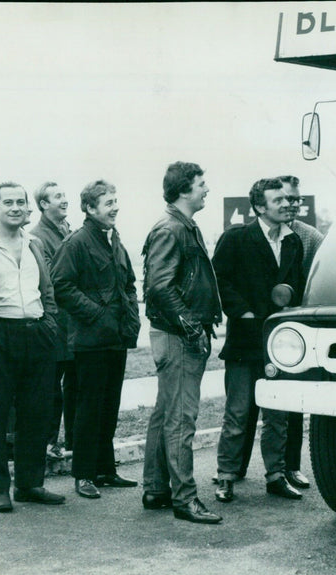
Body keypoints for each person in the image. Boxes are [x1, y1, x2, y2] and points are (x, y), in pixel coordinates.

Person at [211, 178, 306, 504]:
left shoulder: (293, 242)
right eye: (277, 200)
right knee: (237, 414)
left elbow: (296, 285)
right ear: (260, 207)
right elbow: (218, 280)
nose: (286, 204)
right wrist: (244, 313)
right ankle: (225, 478)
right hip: (244, 342)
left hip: (279, 345)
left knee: (277, 415)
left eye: (286, 199)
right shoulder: (237, 238)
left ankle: (276, 476)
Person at [0, 181, 66, 513]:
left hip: (37, 333)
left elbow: (48, 287)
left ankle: (29, 483)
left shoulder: (34, 244)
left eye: (20, 202)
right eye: (8, 202)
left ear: (28, 207)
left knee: (36, 411)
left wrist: (49, 322)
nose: (15, 207)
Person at [141, 161, 223, 524]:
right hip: (177, 336)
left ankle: (157, 487)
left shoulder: (181, 225)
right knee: (180, 418)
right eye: (202, 184)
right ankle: (185, 499)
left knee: (165, 413)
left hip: (178, 332)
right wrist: (191, 326)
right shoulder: (172, 228)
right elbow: (159, 286)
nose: (207, 189)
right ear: (184, 189)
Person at [51, 180, 140, 499]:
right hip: (90, 340)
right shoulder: (76, 242)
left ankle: (105, 470)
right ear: (89, 209)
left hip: (115, 338)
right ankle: (84, 475)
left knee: (109, 405)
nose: (115, 207)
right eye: (108, 203)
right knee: (88, 408)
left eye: (116, 200)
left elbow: (128, 281)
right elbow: (60, 285)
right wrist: (96, 314)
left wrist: (129, 310)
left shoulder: (113, 239)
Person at [276, 174, 325, 490]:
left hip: (294, 331)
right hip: (264, 325)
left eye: (296, 199)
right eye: (284, 199)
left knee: (293, 402)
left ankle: (291, 467)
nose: (291, 205)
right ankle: (233, 470)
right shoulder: (255, 235)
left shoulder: (312, 238)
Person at [30, 181, 77, 459]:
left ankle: (73, 442)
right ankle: (47, 443)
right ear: (44, 204)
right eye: (58, 196)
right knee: (51, 387)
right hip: (55, 324)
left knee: (76, 386)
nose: (64, 200)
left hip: (73, 325)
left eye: (64, 194)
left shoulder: (68, 231)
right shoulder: (38, 237)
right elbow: (51, 279)